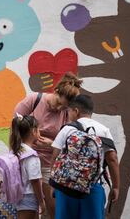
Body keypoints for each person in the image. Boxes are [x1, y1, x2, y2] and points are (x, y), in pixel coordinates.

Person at [15, 72, 82, 218]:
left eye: (63, 107)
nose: (59, 109)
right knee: (28, 208)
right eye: (59, 103)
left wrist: (52, 144)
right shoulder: (35, 100)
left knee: (52, 207)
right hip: (25, 162)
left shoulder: (65, 114)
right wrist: (25, 144)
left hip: (48, 164)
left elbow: (70, 143)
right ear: (55, 91)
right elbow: (15, 127)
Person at [51, 94, 120, 219]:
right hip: (93, 187)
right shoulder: (104, 130)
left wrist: (54, 183)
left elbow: (55, 156)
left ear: (76, 111)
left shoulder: (67, 129)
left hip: (66, 187)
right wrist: (115, 186)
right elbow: (112, 159)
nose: (68, 115)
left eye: (69, 111)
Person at [10, 114, 45, 219]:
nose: (40, 132)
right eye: (38, 129)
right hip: (28, 196)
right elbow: (35, 181)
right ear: (33, 132)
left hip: (15, 195)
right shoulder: (31, 155)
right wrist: (41, 201)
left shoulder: (15, 150)